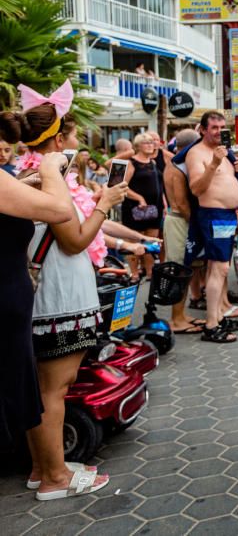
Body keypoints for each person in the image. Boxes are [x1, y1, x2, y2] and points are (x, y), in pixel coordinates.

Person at [8, 83, 130, 499]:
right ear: (58, 139)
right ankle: (55, 478)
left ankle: (44, 467)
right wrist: (104, 203)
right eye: (74, 134)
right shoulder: (48, 176)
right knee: (53, 389)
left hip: (51, 292)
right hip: (59, 297)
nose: (79, 142)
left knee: (44, 387)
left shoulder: (29, 174)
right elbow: (74, 240)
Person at [0, 101, 76, 490]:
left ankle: (42, 471)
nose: (2, 148)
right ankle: (51, 474)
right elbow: (61, 211)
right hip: (5, 299)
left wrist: (30, 181)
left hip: (12, 297)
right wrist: (49, 169)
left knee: (21, 389)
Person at [181, 111, 238, 343]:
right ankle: (211, 324)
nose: (219, 131)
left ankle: (217, 315)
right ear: (203, 130)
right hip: (213, 215)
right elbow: (197, 188)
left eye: (221, 127)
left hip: (226, 215)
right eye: (214, 128)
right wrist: (215, 163)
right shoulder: (197, 154)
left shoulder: (223, 152)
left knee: (219, 269)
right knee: (220, 269)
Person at [163, 129, 204, 333]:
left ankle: (181, 314)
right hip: (179, 221)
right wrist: (196, 225)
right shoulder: (177, 166)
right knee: (179, 269)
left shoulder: (175, 163)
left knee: (186, 270)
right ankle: (176, 318)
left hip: (179, 220)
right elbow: (181, 202)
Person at [122, 132, 164, 278]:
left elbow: (160, 185)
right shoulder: (131, 163)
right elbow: (122, 186)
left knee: (151, 241)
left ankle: (150, 271)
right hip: (135, 208)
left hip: (155, 207)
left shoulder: (153, 162)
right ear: (138, 146)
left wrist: (163, 203)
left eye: (152, 142)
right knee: (133, 240)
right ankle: (134, 273)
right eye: (146, 142)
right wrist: (139, 198)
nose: (150, 145)